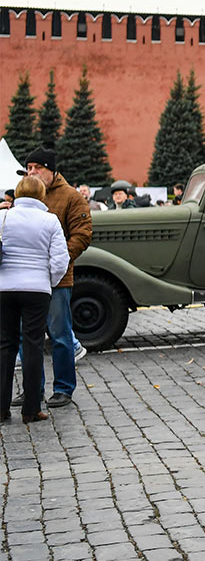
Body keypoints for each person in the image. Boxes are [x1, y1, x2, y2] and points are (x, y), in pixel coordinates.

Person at [13, 147, 90, 411]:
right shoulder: (22, 195)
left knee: (59, 335)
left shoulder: (71, 197)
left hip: (57, 279)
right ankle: (33, 388)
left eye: (37, 168)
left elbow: (82, 235)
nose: (31, 173)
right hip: (28, 280)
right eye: (29, 168)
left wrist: (58, 259)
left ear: (51, 170)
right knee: (26, 337)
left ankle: (63, 388)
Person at [0, 176, 70, 423]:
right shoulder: (49, 220)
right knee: (32, 345)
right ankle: (31, 408)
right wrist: (48, 281)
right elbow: (61, 259)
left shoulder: (4, 217)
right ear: (42, 195)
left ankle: (1, 408)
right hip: (37, 289)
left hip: (4, 288)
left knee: (5, 345)